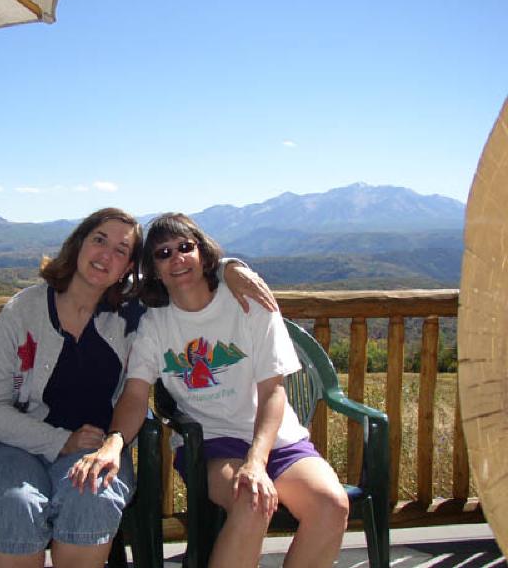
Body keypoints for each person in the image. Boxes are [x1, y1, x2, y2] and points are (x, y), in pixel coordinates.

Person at [0, 207, 276, 568]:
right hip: (9, 444)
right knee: (15, 503)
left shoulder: (133, 315)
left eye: (121, 250)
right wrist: (59, 441)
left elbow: (184, 278)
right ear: (79, 243)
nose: (106, 255)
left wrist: (229, 267)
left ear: (129, 267)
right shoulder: (25, 309)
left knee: (93, 495)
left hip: (96, 448)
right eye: (100, 240)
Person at [71, 212, 349, 568]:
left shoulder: (251, 304)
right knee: (251, 502)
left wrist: (257, 460)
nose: (177, 258)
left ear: (203, 252)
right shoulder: (154, 324)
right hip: (212, 443)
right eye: (163, 253)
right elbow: (136, 394)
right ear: (152, 269)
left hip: (276, 440)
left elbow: (273, 392)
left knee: (332, 505)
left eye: (185, 247)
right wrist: (114, 441)